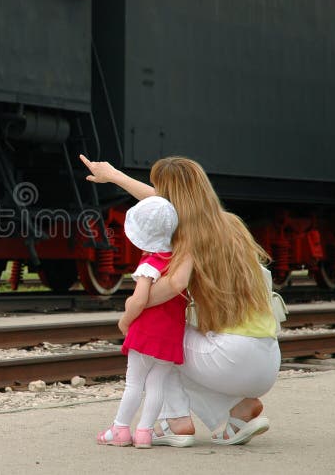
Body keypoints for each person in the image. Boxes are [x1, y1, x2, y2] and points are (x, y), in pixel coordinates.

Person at [80, 154, 281, 447]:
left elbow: (174, 284)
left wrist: (134, 307)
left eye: (159, 189)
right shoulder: (230, 224)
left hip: (233, 357)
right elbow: (162, 202)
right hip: (268, 358)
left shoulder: (187, 235)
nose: (155, 195)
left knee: (161, 340)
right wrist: (114, 176)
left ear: (171, 197)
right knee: (181, 345)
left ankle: (176, 421)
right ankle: (239, 408)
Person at [97, 195, 188, 449]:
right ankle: (145, 433)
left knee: (134, 383)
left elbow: (139, 301)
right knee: (156, 384)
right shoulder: (179, 261)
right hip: (171, 335)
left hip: (146, 333)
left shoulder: (149, 264)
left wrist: (125, 322)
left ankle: (120, 429)